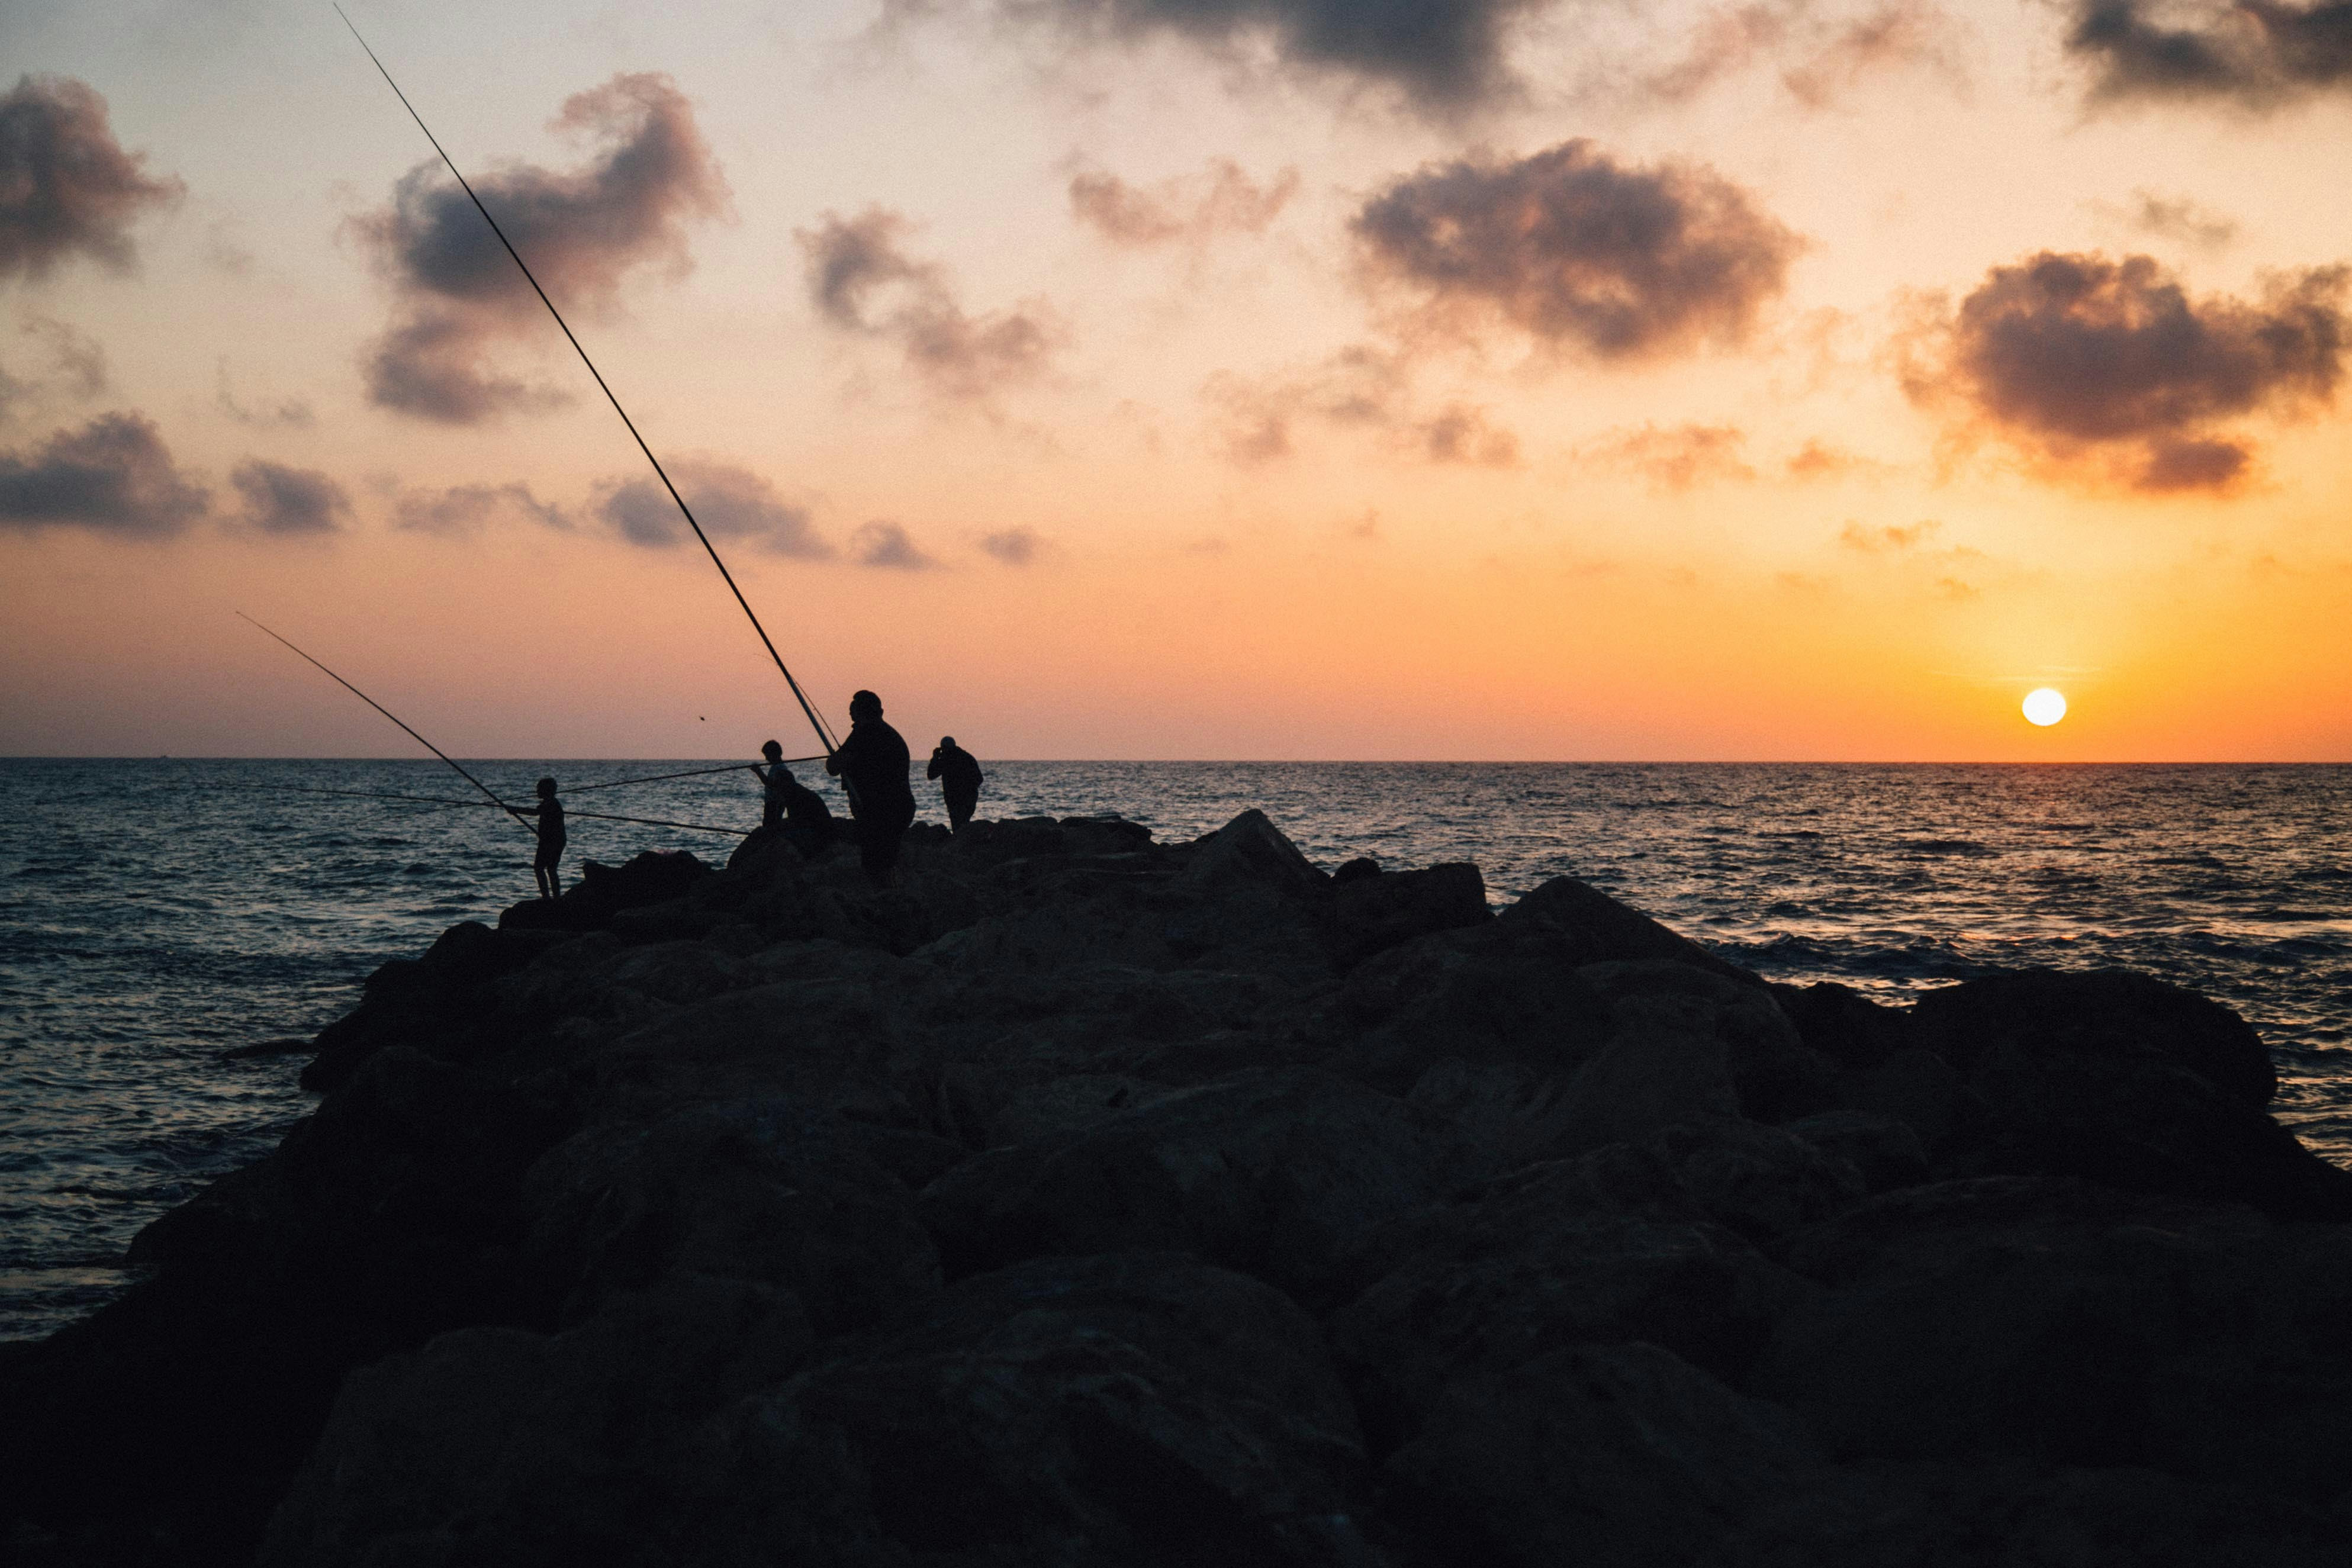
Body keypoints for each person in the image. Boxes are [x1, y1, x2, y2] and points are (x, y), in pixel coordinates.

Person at [825, 690, 915, 886]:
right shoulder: (886, 732)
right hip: (897, 808)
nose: (850, 716)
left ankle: (886, 903)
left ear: (861, 712)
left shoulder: (865, 733)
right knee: (884, 863)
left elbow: (833, 767)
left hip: (882, 812)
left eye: (853, 711)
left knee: (876, 865)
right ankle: (891, 899)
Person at [751, 739, 835, 860]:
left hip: (775, 803)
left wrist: (758, 771)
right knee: (771, 825)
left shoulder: (781, 770)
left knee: (771, 825)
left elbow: (770, 784)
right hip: (774, 802)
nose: (766, 759)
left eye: (768, 755)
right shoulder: (778, 770)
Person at [511, 776, 566, 899]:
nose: (537, 792)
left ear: (546, 790)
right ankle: (555, 897)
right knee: (551, 869)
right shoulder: (551, 802)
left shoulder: (550, 803)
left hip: (551, 842)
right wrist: (515, 810)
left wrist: (515, 809)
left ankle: (548, 898)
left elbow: (534, 812)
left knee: (540, 868)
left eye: (539, 789)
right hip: (556, 840)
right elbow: (537, 812)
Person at [927, 735, 984, 835]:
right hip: (969, 798)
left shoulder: (946, 760)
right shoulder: (967, 757)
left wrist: (935, 758)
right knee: (964, 826)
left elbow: (931, 775)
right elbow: (980, 779)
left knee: (958, 828)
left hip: (955, 799)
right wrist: (969, 789)